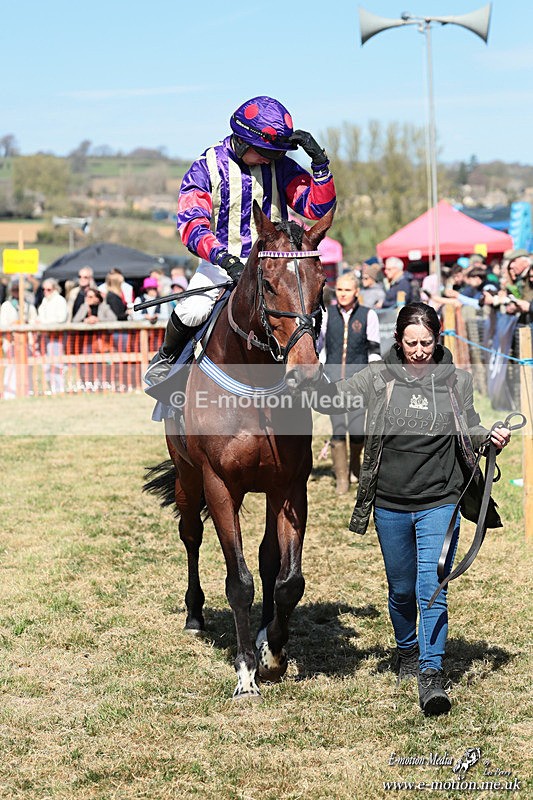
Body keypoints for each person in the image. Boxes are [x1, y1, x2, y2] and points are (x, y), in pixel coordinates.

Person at [315, 302, 511, 715]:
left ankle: (431, 673)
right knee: (401, 591)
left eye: (426, 342)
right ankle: (406, 651)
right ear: (398, 341)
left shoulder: (456, 380)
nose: (420, 351)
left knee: (432, 587)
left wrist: (489, 437)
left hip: (441, 499)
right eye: (411, 343)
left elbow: (469, 426)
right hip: (390, 502)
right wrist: (308, 377)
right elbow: (332, 400)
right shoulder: (377, 376)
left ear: (437, 339)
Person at [144, 94, 336, 385]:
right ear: (244, 141)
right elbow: (191, 225)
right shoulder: (206, 167)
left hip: (274, 265)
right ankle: (166, 360)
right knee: (193, 309)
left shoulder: (280, 167)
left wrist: (320, 164)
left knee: (305, 309)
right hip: (221, 263)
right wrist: (223, 258)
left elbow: (315, 208)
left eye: (276, 154)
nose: (270, 159)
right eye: (265, 152)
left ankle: (311, 371)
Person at [322, 272, 381, 494]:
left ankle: (355, 464)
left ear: (356, 292)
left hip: (359, 381)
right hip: (333, 381)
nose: (343, 294)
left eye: (347, 290)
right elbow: (320, 345)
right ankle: (341, 478)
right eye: (339, 290)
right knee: (338, 429)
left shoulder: (368, 315)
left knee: (357, 431)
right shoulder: (327, 314)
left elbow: (374, 348)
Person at [37, 278, 68, 393]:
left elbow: (61, 319)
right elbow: (41, 316)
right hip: (45, 336)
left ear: (55, 289)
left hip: (56, 337)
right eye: (44, 289)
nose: (45, 292)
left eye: (48, 289)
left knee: (57, 363)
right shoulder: (45, 301)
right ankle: (50, 388)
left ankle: (59, 389)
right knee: (46, 365)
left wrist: (43, 323)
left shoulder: (60, 300)